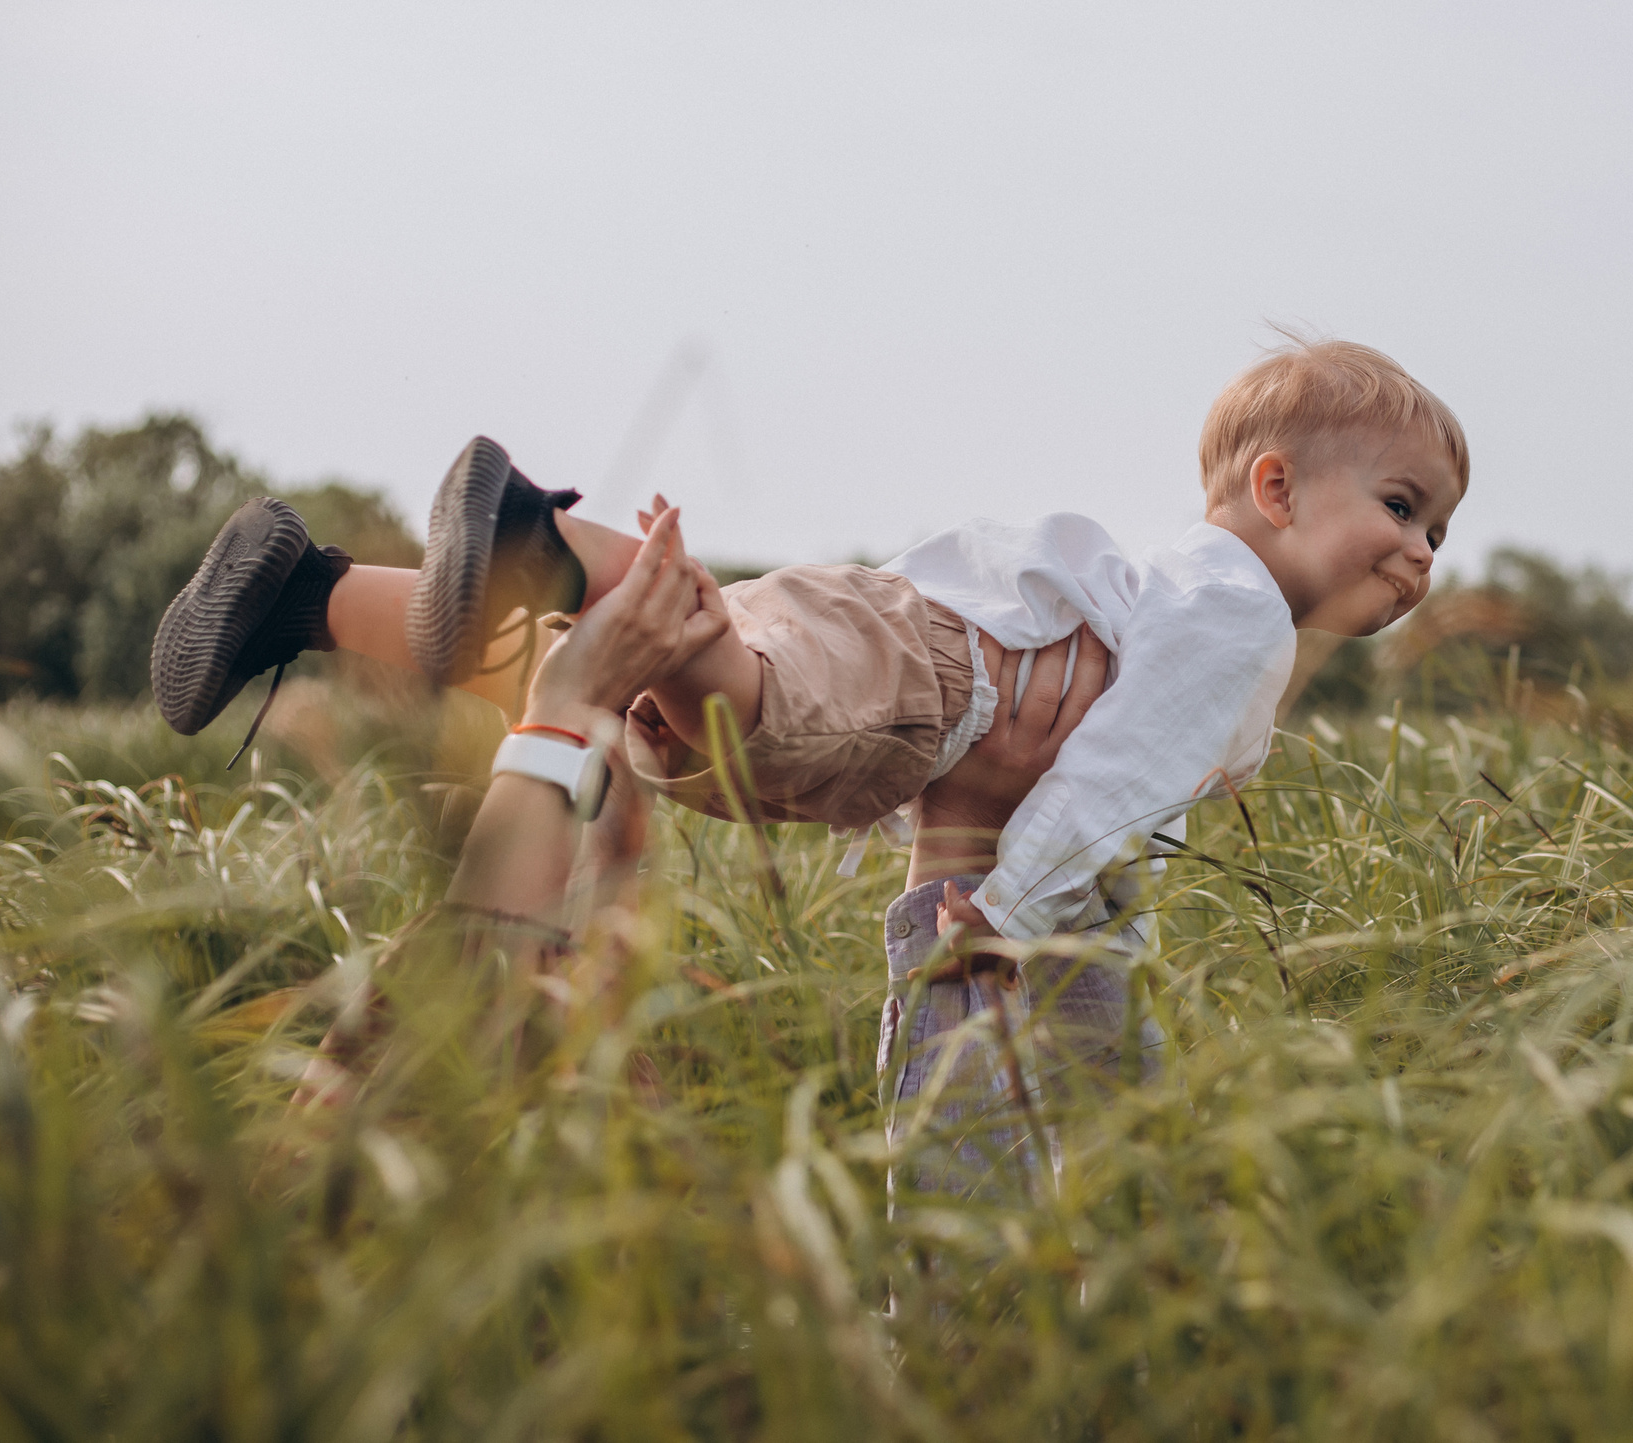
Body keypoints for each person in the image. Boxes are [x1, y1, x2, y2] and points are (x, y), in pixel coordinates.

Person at [153, 334, 1469, 1191]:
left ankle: (311, 596)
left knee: (658, 683)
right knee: (723, 678)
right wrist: (1009, 916)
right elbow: (1121, 777)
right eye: (1403, 509)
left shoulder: (1188, 599)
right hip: (937, 679)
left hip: (894, 675)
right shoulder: (1235, 608)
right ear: (1278, 488)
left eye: (1442, 535)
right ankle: (541, 545)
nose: (1423, 557)